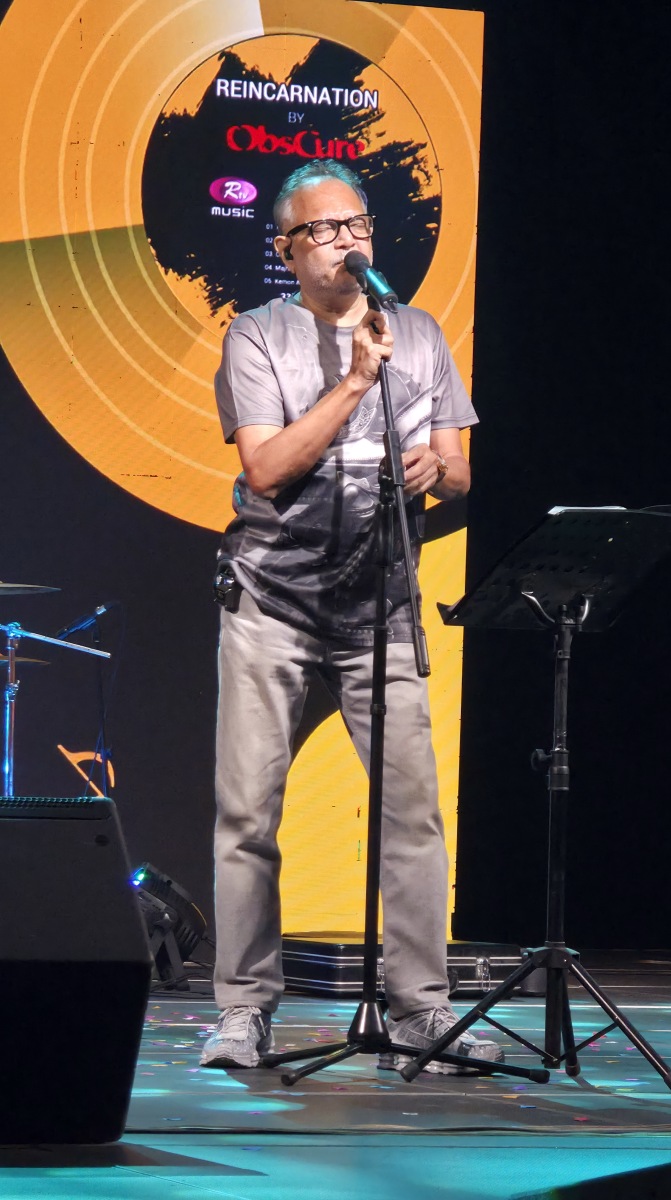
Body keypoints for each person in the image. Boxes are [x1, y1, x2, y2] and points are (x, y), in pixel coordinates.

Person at [201, 160, 503, 1074]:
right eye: (325, 229)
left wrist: (437, 469)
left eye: (358, 224)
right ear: (287, 248)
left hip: (382, 605)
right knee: (248, 815)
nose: (346, 240)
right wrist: (354, 382)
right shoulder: (258, 335)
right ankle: (243, 1011)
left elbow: (458, 468)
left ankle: (419, 1011)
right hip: (273, 604)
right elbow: (264, 470)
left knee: (412, 817)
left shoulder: (421, 332)